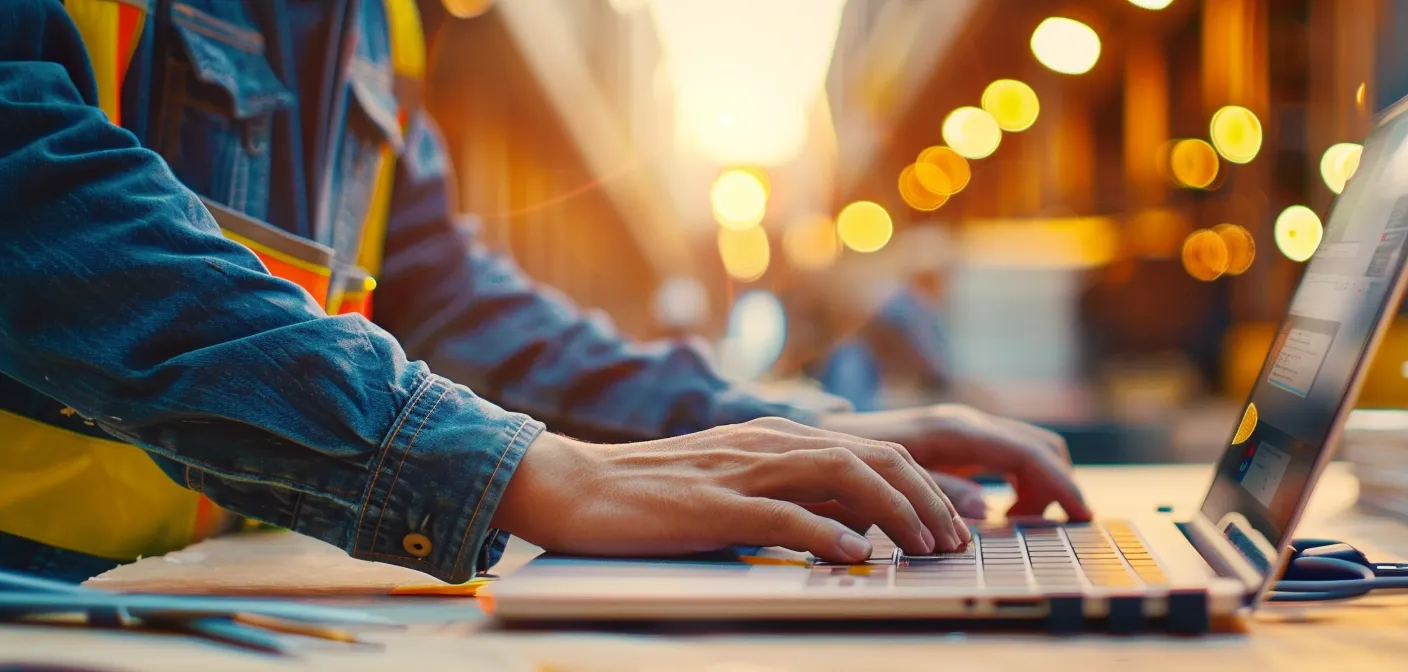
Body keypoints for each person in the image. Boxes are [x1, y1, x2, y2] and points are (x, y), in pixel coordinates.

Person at [0, 0, 1088, 583]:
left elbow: (442, 294)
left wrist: (788, 431)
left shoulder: (379, 19)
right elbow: (26, 187)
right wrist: (511, 467)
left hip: (197, 599)